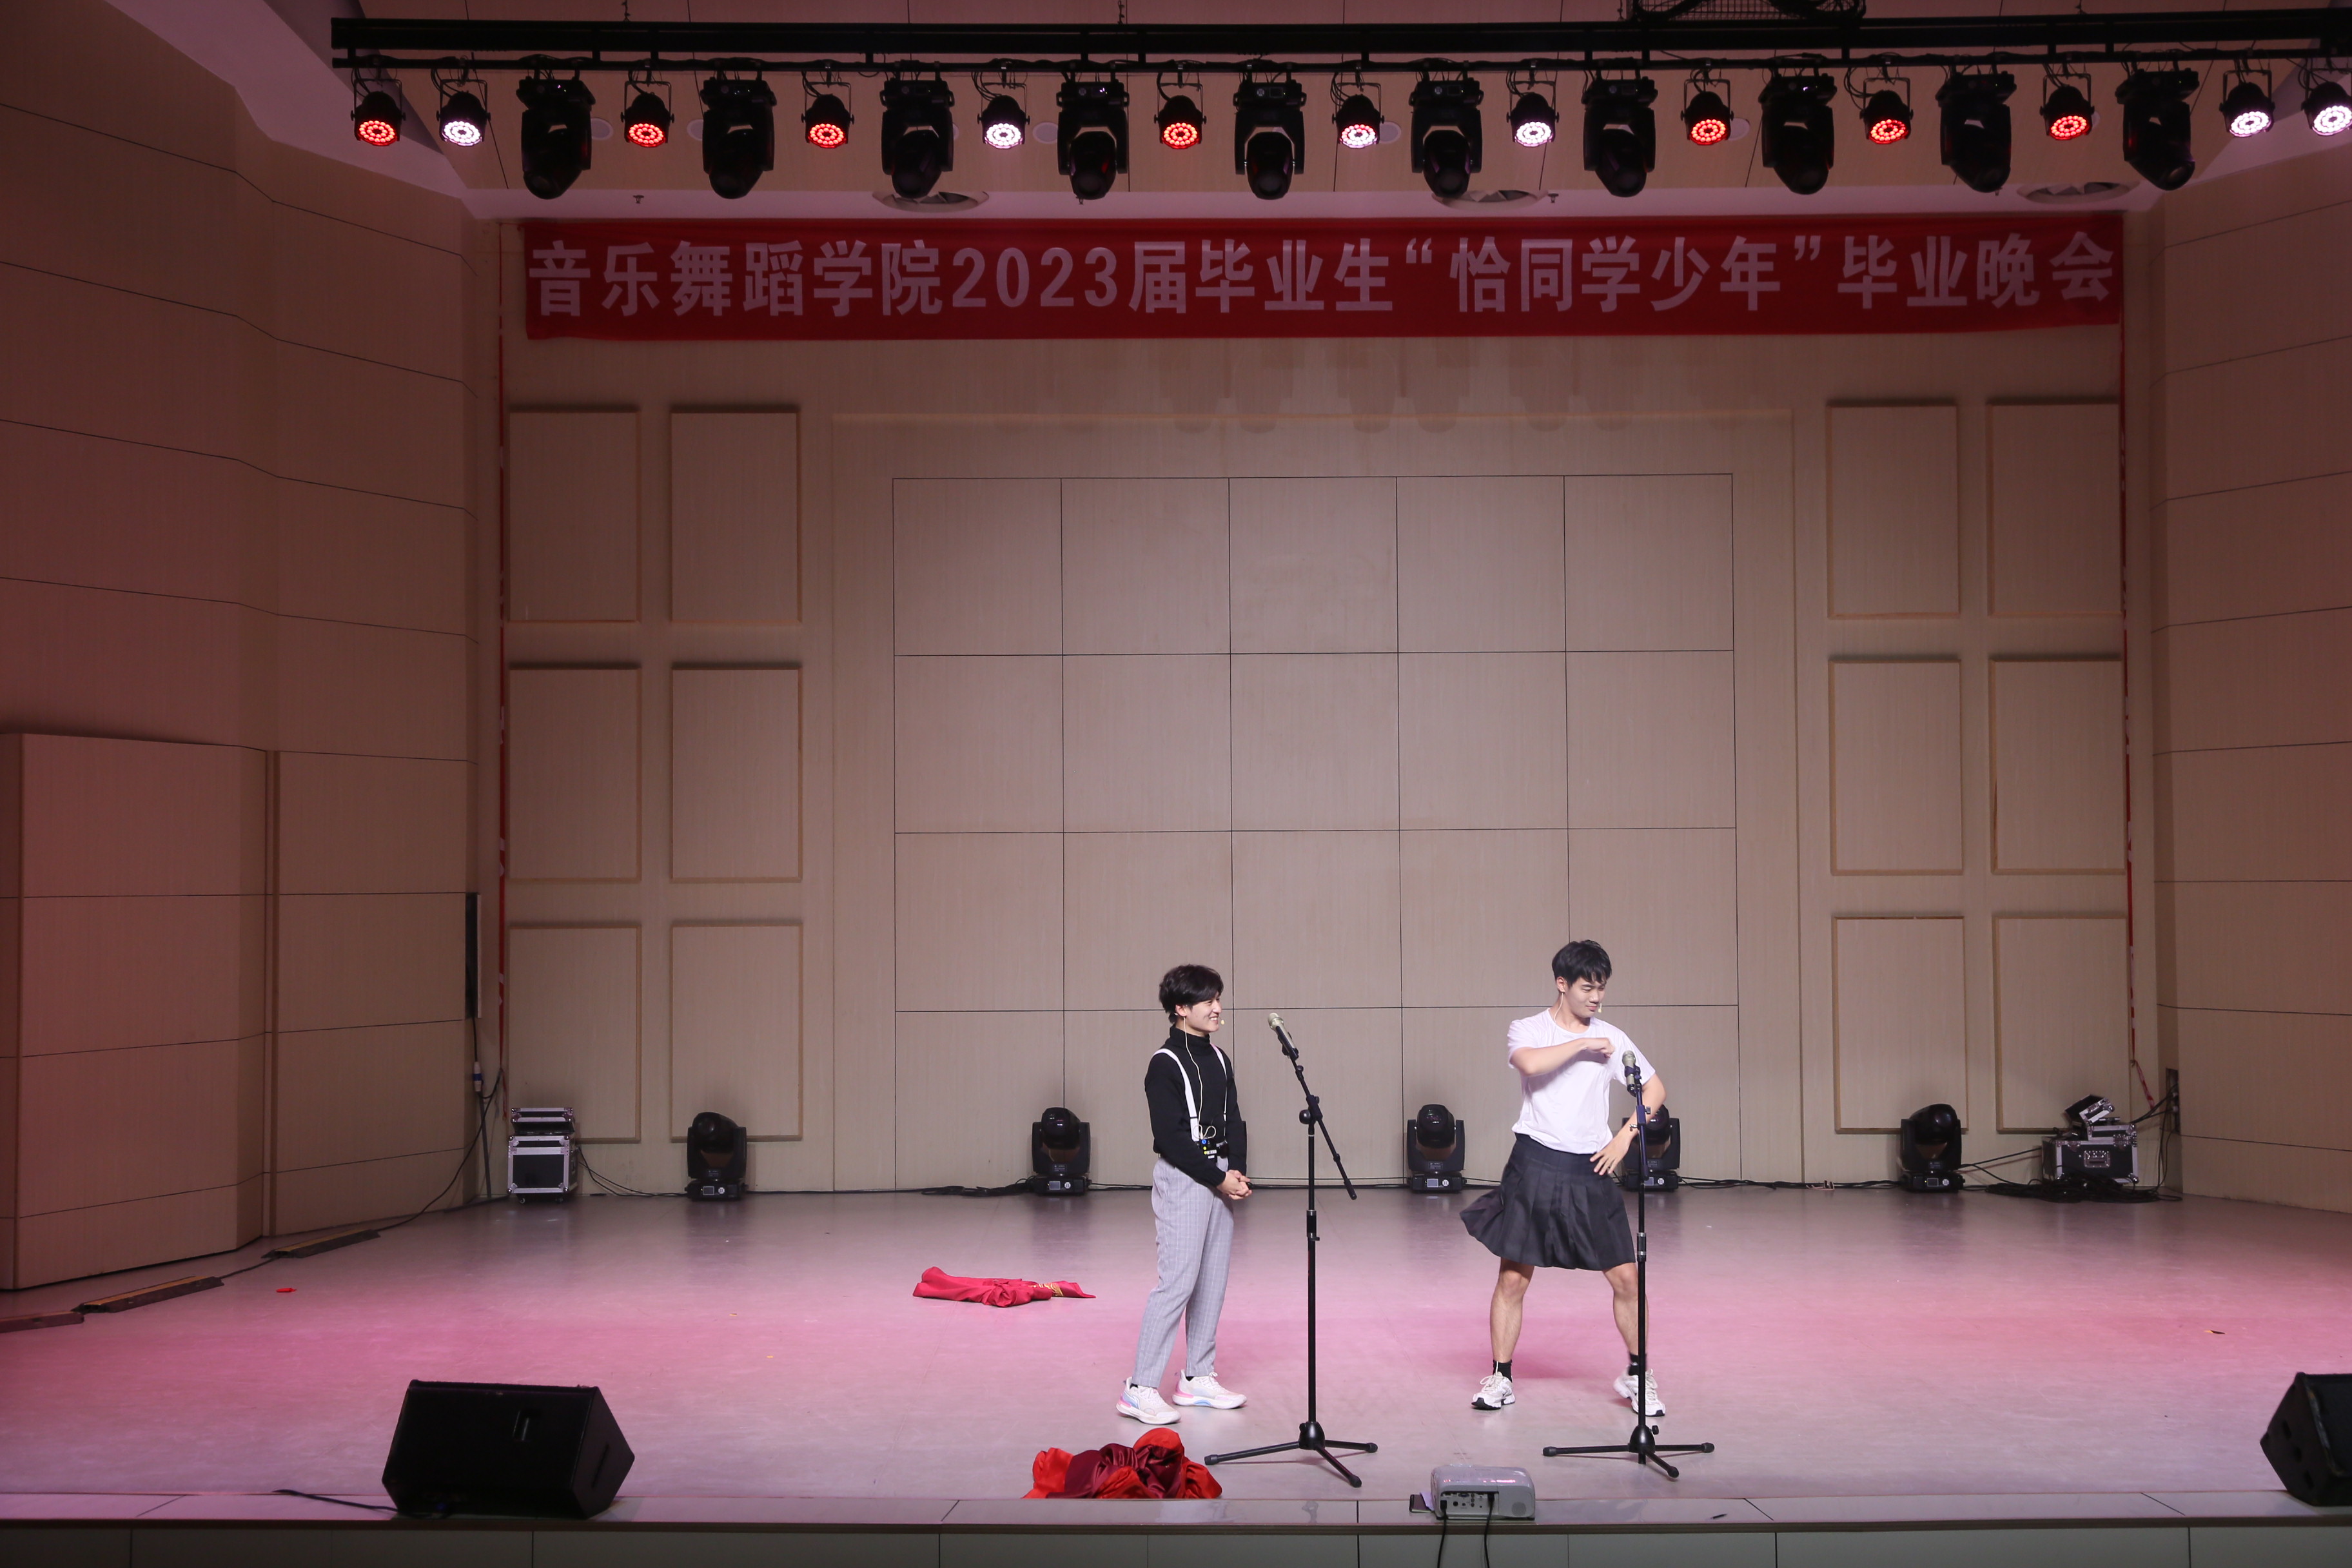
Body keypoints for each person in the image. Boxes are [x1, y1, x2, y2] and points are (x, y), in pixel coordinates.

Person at [1459, 939, 1669, 1418]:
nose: (1596, 998)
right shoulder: (1529, 1028)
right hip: (1535, 1162)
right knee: (1513, 1278)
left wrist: (1624, 1138)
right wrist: (1581, 1045)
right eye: (1587, 988)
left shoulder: (1613, 1037)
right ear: (1562, 984)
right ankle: (1501, 1377)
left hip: (1591, 1166)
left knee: (1627, 1278)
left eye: (1602, 989)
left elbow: (1655, 1090)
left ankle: (1638, 1374)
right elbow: (1530, 1063)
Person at [1118, 963, 1252, 1426]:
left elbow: (1234, 1117)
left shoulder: (1219, 1058)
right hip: (1185, 1178)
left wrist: (1235, 1169)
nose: (1217, 1008)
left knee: (1212, 1280)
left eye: (1218, 998)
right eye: (1207, 1001)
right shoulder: (1165, 1064)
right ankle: (1140, 1387)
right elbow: (1171, 1139)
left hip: (1218, 1174)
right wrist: (1217, 1178)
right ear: (1180, 1008)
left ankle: (1197, 1376)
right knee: (1177, 1282)